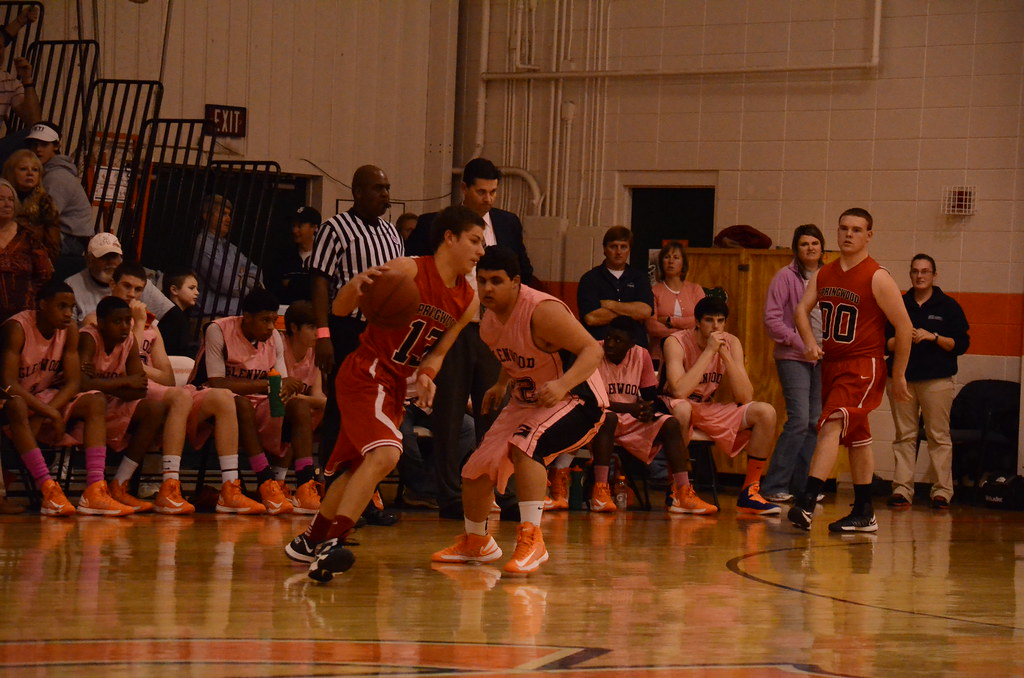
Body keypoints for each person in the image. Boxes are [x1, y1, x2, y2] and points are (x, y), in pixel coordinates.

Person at [285, 205, 483, 582]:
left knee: (361, 467)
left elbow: (440, 349)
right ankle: (334, 542)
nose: (480, 251)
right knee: (387, 452)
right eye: (474, 241)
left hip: (395, 384)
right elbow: (342, 309)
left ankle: (309, 541)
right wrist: (354, 285)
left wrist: (426, 374)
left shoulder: (468, 299)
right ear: (450, 238)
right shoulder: (406, 270)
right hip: (366, 370)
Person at [432, 245, 606, 576]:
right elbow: (512, 352)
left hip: (577, 398)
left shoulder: (543, 311)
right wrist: (500, 385)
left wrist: (562, 385)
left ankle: (532, 539)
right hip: (527, 400)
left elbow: (591, 351)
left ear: (515, 282)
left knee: (527, 446)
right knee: (475, 469)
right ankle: (477, 542)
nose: (487, 289)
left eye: (496, 281)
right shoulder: (487, 321)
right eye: (482, 281)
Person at [406, 157, 535, 520]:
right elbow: (420, 269)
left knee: (497, 414)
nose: (488, 199)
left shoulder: (507, 223)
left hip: (494, 327)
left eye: (494, 192)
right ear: (464, 189)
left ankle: (504, 494)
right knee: (448, 414)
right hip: (452, 325)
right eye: (481, 191)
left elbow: (523, 271)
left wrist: (524, 321)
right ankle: (449, 496)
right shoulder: (436, 224)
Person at [788, 207, 913, 533]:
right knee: (858, 439)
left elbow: (904, 327)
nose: (848, 234)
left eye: (857, 230)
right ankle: (864, 510)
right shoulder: (824, 273)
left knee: (830, 423)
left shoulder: (877, 276)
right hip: (832, 363)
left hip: (864, 364)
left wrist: (898, 374)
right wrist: (808, 341)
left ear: (869, 235)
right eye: (844, 228)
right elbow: (801, 310)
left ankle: (807, 501)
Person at [97, 261, 255, 515]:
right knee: (181, 396)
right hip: (120, 394)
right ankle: (169, 487)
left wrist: (144, 366)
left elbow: (167, 376)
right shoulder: (100, 319)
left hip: (153, 390)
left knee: (224, 397)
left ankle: (230, 488)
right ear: (112, 284)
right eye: (126, 286)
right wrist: (137, 326)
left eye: (138, 290)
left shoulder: (152, 325)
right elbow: (127, 369)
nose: (132, 295)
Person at [308, 165, 402, 472]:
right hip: (347, 328)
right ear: (357, 192)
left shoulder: (391, 232)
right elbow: (320, 282)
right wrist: (324, 335)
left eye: (387, 188)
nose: (386, 195)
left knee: (376, 407)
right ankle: (330, 480)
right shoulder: (334, 229)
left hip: (383, 332)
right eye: (378, 188)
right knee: (342, 406)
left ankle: (364, 486)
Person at [191, 288, 308, 514]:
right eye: (265, 320)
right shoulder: (218, 329)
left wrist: (289, 388)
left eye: (273, 320)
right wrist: (269, 386)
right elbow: (216, 383)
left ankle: (304, 484)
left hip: (255, 399)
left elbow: (280, 384)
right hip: (209, 397)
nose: (270, 326)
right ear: (247, 317)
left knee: (299, 406)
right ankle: (265, 481)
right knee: (240, 405)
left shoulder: (275, 337)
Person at [662, 296, 781, 516]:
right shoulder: (675, 342)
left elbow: (745, 396)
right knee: (682, 408)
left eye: (720, 321)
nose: (715, 326)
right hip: (676, 405)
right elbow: (679, 391)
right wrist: (708, 352)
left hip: (707, 406)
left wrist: (725, 355)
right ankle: (677, 489)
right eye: (709, 320)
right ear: (697, 322)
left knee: (765, 412)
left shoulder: (731, 342)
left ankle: (750, 492)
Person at [588, 316, 717, 515]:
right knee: (609, 418)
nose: (611, 344)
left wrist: (648, 409)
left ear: (631, 345)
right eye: (609, 338)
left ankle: (681, 492)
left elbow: (650, 395)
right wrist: (631, 409)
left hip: (630, 418)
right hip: (598, 418)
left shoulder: (642, 355)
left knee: (671, 423)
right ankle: (600, 491)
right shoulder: (594, 351)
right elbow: (593, 401)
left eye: (618, 340)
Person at [885, 254, 969, 510]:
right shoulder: (898, 304)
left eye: (925, 271)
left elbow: (960, 345)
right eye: (915, 271)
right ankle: (902, 489)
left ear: (934, 275)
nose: (920, 276)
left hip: (937, 381)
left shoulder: (948, 306)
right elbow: (884, 343)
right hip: (902, 379)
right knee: (905, 436)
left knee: (938, 436)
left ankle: (942, 491)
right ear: (910, 274)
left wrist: (932, 337)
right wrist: (904, 338)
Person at [0, 279, 88, 516]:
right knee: (17, 404)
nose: (69, 313)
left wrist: (47, 409)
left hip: (39, 396)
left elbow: (73, 382)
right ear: (42, 305)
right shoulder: (17, 328)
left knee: (95, 400)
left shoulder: (70, 330)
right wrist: (49, 412)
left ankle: (97, 489)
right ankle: (48, 487)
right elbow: (7, 384)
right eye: (62, 306)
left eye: (72, 307)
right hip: (7, 395)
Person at [78, 296, 173, 514]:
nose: (124, 327)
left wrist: (102, 383)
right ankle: (95, 489)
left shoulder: (129, 339)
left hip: (109, 399)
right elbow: (81, 384)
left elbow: (139, 387)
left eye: (127, 321)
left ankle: (120, 483)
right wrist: (123, 381)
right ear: (100, 323)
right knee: (96, 398)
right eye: (116, 322)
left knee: (155, 408)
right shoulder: (89, 338)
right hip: (83, 403)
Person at [760, 225, 826, 504]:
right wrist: (803, 344)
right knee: (798, 420)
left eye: (815, 243)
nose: (810, 248)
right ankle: (773, 484)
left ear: (822, 247)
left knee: (814, 422)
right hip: (793, 357)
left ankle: (802, 487)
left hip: (824, 357)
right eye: (804, 244)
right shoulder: (784, 277)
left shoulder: (830, 276)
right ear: (796, 249)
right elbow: (772, 321)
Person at [65, 232, 174, 324]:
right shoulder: (71, 286)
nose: (111, 262)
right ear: (89, 260)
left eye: (114, 256)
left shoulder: (137, 281)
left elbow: (172, 315)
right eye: (104, 257)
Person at [281, 300, 326, 513]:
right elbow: (280, 395)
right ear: (293, 328)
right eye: (311, 327)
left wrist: (302, 399)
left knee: (333, 413)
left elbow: (319, 397)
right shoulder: (278, 345)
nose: (317, 333)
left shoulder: (315, 353)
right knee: (301, 410)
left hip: (301, 415)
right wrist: (304, 401)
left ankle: (329, 479)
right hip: (272, 411)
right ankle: (304, 482)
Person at [25, 121, 94, 259]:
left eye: (44, 144)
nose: (38, 149)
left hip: (70, 239)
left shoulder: (56, 177)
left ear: (56, 146)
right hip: (68, 236)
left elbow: (46, 216)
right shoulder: (48, 172)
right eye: (34, 144)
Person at [578, 226, 653, 347]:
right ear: (604, 249)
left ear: (629, 249)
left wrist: (611, 305)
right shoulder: (590, 279)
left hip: (635, 346)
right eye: (613, 246)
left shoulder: (640, 278)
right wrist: (632, 313)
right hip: (598, 346)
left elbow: (645, 311)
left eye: (623, 247)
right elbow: (591, 318)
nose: (618, 252)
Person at [192, 194, 261, 317]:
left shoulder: (230, 247)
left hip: (235, 317)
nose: (228, 219)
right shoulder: (203, 243)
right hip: (210, 318)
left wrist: (239, 278)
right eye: (223, 214)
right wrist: (245, 281)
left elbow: (257, 273)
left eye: (229, 214)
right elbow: (226, 284)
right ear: (207, 216)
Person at [644, 241, 705, 366]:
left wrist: (669, 321)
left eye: (676, 257)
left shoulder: (695, 289)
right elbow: (651, 326)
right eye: (667, 257)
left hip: (692, 353)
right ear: (661, 262)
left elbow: (702, 320)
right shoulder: (654, 291)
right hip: (660, 355)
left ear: (683, 264)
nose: (671, 261)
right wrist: (685, 333)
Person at [0, 178, 51, 321]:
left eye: (10, 199)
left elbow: (45, 275)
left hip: (24, 317)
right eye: (1, 199)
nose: (7, 204)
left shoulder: (29, 237)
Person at [0, 6, 41, 163]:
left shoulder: (8, 82)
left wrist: (27, 80)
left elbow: (34, 121)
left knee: (36, 133)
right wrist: (20, 21)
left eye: (1, 47)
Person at [3, 149, 60, 261]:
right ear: (11, 172)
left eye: (35, 170)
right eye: (23, 169)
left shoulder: (44, 201)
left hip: (31, 260)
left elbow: (53, 242)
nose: (30, 173)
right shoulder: (4, 197)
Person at [267, 205, 320, 304]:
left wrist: (291, 283)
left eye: (300, 226)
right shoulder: (284, 256)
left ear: (314, 227)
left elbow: (322, 288)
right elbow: (276, 287)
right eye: (293, 226)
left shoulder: (324, 256)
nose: (294, 230)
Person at [159, 270, 199, 357]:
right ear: (174, 290)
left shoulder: (176, 314)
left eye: (197, 289)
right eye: (191, 288)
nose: (197, 292)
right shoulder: (173, 316)